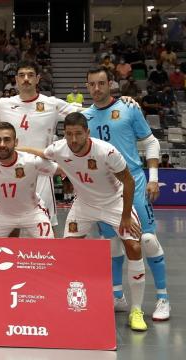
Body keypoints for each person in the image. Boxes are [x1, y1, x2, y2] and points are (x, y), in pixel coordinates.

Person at [22, 112, 146, 331]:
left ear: (87, 133)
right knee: (68, 250)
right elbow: (41, 153)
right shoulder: (59, 148)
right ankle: (71, 302)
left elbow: (128, 181)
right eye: (68, 134)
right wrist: (15, 150)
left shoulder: (106, 151)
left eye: (78, 134)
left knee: (134, 246)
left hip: (114, 203)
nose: (73, 140)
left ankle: (136, 310)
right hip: (84, 205)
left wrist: (126, 215)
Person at [83, 66, 170, 321]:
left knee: (147, 241)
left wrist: (154, 178)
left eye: (101, 83)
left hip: (134, 181)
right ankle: (117, 296)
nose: (97, 89)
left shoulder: (129, 108)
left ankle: (163, 298)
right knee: (112, 245)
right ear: (86, 86)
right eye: (92, 84)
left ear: (111, 84)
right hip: (104, 188)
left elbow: (151, 142)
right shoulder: (84, 116)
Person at [0, 60, 79, 229]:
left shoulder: (52, 103)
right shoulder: (3, 104)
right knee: (10, 224)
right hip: (9, 172)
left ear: (38, 79)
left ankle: (48, 256)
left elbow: (85, 115)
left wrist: (121, 102)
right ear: (16, 80)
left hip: (40, 171)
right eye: (22, 75)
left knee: (47, 223)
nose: (26, 79)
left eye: (31, 75)